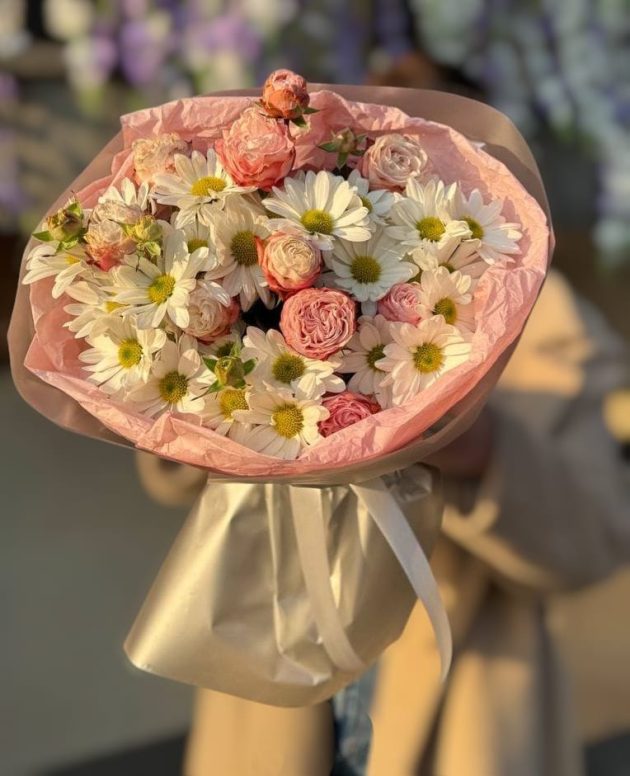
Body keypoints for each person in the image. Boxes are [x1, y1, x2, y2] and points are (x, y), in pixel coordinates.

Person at [137, 269, 630, 775]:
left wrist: (468, 441)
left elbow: (594, 539)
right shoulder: (253, 268)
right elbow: (171, 471)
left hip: (464, 691)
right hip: (270, 660)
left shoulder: (530, 298)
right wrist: (212, 389)